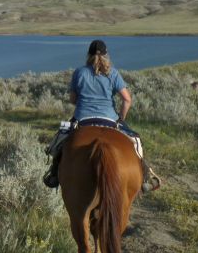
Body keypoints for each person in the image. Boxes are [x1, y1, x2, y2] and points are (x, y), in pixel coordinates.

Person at [43, 39, 161, 192]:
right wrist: (121, 119)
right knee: (136, 141)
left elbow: (73, 99)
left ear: (88, 55)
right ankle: (145, 177)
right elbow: (127, 100)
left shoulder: (79, 72)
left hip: (82, 119)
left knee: (60, 139)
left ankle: (53, 174)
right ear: (106, 55)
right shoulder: (113, 73)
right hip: (110, 119)